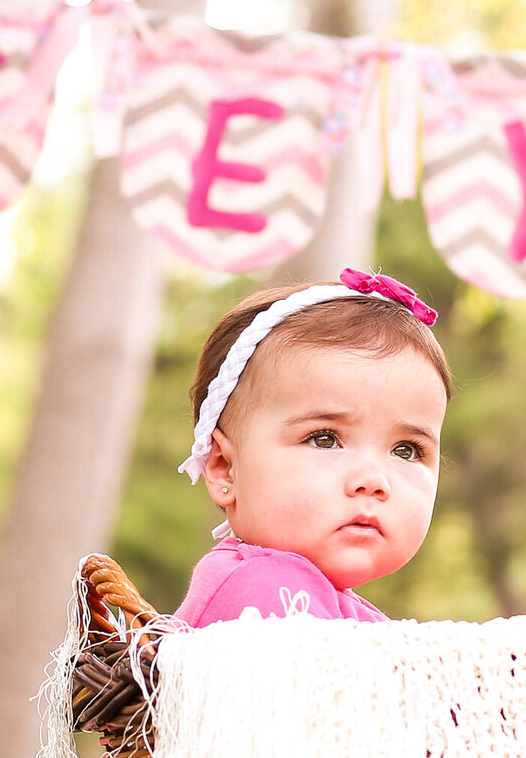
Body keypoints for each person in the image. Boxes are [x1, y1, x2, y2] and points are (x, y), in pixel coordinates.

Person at [172, 269, 453, 627]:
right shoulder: (264, 590)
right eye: (324, 439)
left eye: (406, 450)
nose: (373, 479)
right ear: (226, 467)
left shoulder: (325, 602)